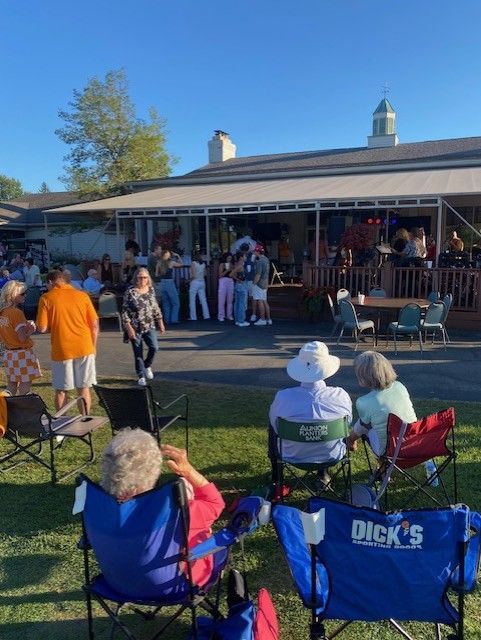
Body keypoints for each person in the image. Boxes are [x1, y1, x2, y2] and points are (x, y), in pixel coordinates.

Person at [100, 429, 225, 587]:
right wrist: (188, 471)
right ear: (152, 471)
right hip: (169, 584)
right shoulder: (175, 510)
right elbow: (215, 503)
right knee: (189, 495)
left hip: (119, 579)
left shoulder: (99, 506)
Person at [268, 341, 352, 488]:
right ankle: (323, 473)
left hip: (292, 455)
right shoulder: (340, 395)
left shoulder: (283, 397)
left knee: (274, 424)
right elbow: (348, 423)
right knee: (328, 426)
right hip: (332, 455)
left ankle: (276, 475)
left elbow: (275, 426)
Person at [36, 269, 98, 413]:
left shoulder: (46, 298)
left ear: (51, 282)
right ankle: (85, 420)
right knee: (83, 388)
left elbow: (42, 327)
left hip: (62, 348)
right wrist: (93, 347)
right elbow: (94, 325)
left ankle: (62, 425)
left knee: (62, 390)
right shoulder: (83, 296)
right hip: (85, 347)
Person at [346, 351, 417, 457]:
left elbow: (363, 426)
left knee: (364, 425)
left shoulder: (363, 402)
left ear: (363, 375)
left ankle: (351, 441)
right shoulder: (400, 386)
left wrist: (352, 438)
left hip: (389, 452)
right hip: (414, 443)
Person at [121, 267, 165, 386]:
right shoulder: (130, 292)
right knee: (138, 352)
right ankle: (140, 375)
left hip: (149, 325)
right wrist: (129, 328)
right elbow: (124, 311)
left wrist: (160, 321)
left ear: (148, 279)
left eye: (145, 277)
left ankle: (147, 366)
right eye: (140, 277)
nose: (142, 280)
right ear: (136, 278)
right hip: (135, 326)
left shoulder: (150, 290)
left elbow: (155, 306)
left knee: (154, 347)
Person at [0, 281, 41, 395]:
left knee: (12, 384)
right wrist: (30, 330)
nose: (25, 295)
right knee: (25, 383)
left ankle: (7, 408)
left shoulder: (3, 312)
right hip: (21, 353)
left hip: (8, 353)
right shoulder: (16, 313)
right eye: (22, 294)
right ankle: (23, 408)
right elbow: (22, 338)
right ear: (13, 295)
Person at [155, 249, 183, 324]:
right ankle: (174, 319)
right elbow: (181, 264)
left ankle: (167, 320)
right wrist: (178, 256)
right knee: (175, 303)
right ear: (168, 255)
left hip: (162, 282)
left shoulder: (159, 263)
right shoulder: (171, 262)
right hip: (169, 282)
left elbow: (156, 274)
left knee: (166, 303)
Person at [252, 244, 272, 326]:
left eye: (255, 251)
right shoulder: (266, 259)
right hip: (265, 282)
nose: (254, 252)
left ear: (257, 251)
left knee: (260, 301)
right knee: (264, 301)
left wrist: (254, 283)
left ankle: (262, 319)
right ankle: (268, 319)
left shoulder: (260, 261)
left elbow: (258, 274)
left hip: (259, 284)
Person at [189, 252, 210, 321]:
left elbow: (193, 275)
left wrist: (188, 280)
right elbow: (205, 274)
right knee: (203, 299)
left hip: (195, 282)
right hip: (202, 281)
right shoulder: (203, 264)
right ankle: (206, 315)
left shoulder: (193, 263)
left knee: (192, 300)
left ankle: (193, 317)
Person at [230, 252, 249, 327]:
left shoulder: (237, 264)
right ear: (241, 257)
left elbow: (232, 274)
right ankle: (241, 320)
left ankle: (237, 320)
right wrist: (238, 279)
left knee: (237, 303)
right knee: (241, 303)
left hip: (238, 285)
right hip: (242, 285)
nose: (245, 257)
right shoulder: (240, 265)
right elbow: (231, 274)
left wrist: (237, 279)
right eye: (244, 256)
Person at [217, 252, 234, 322]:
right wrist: (227, 270)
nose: (229, 259)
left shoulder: (232, 264)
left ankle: (229, 315)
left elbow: (233, 274)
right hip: (223, 281)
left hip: (230, 281)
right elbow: (220, 275)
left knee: (230, 299)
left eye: (230, 258)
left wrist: (232, 270)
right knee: (221, 299)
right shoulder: (222, 264)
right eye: (228, 258)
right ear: (225, 258)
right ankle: (221, 315)